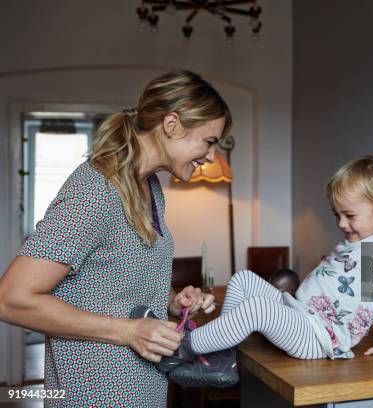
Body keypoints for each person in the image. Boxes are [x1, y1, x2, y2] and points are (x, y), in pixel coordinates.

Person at [0, 70, 230, 406]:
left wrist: (172, 300)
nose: (211, 156)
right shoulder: (96, 189)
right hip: (94, 393)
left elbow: (117, 283)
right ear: (172, 125)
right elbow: (11, 298)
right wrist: (127, 331)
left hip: (141, 389)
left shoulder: (149, 187)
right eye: (209, 142)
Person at [170, 156, 373, 380]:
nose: (341, 223)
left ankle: (181, 347)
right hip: (299, 313)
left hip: (318, 337)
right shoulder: (359, 239)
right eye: (336, 215)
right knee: (243, 279)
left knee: (257, 308)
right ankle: (223, 355)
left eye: (349, 215)